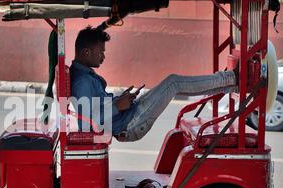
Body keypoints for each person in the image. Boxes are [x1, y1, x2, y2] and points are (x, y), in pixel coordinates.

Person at [70, 26, 238, 142]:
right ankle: (230, 79)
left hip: (130, 114)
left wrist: (121, 100)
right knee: (173, 82)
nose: (103, 57)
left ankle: (231, 84)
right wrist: (118, 106)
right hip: (130, 123)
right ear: (86, 52)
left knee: (173, 86)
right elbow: (89, 122)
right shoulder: (82, 81)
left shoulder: (85, 75)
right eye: (101, 52)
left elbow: (97, 107)